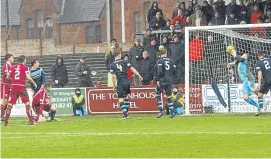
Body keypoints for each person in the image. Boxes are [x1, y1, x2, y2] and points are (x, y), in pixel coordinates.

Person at [4, 55, 37, 126]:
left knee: (10, 104)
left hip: (13, 87)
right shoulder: (25, 67)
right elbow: (28, 77)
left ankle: (6, 121)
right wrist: (34, 83)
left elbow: (7, 77)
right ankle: (31, 120)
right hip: (21, 87)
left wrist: (14, 80)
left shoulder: (13, 67)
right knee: (27, 103)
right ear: (24, 60)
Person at [227, 48, 261, 115]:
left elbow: (238, 58)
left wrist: (234, 53)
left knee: (253, 90)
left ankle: (261, 99)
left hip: (248, 79)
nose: (242, 55)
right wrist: (230, 64)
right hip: (245, 81)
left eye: (243, 55)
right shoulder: (240, 61)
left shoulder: (244, 60)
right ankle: (259, 107)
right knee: (245, 98)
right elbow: (235, 61)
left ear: (246, 57)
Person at [110, 51, 143, 119]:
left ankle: (125, 115)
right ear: (119, 55)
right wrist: (139, 75)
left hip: (120, 82)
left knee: (120, 99)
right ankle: (126, 112)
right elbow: (132, 68)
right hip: (127, 81)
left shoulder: (112, 65)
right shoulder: (124, 61)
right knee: (126, 97)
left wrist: (113, 86)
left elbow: (113, 77)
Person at [154, 45, 176, 118]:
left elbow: (159, 71)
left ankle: (161, 111)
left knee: (157, 95)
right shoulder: (171, 61)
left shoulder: (159, 61)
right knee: (169, 96)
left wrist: (157, 80)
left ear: (160, 53)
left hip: (162, 80)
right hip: (169, 80)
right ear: (166, 52)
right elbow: (174, 70)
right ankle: (172, 112)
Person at [1, 54, 14, 122]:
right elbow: (7, 76)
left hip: (9, 85)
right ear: (9, 58)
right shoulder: (6, 65)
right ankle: (1, 116)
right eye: (12, 58)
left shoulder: (10, 66)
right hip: (5, 85)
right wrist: (15, 80)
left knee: (7, 101)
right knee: (4, 100)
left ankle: (3, 115)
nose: (13, 59)